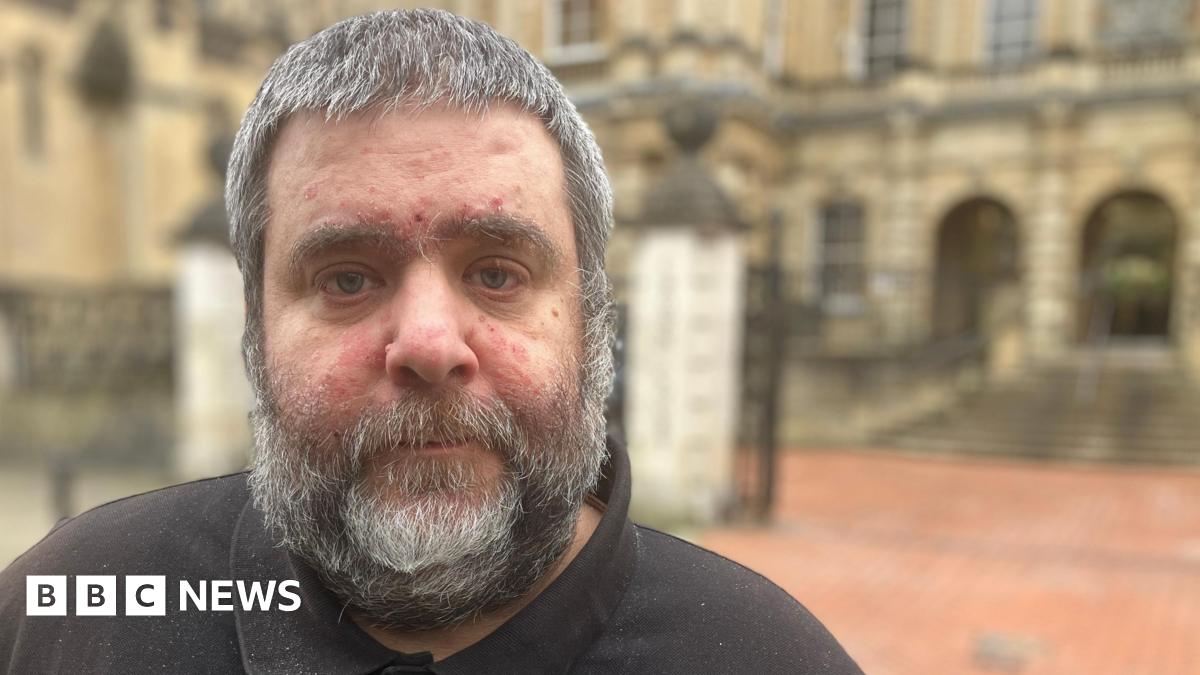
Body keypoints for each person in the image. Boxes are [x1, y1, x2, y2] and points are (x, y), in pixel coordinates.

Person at [0, 10, 861, 673]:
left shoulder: (765, 654)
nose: (427, 341)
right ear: (256, 331)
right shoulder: (74, 610)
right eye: (346, 277)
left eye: (497, 272)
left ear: (593, 315)